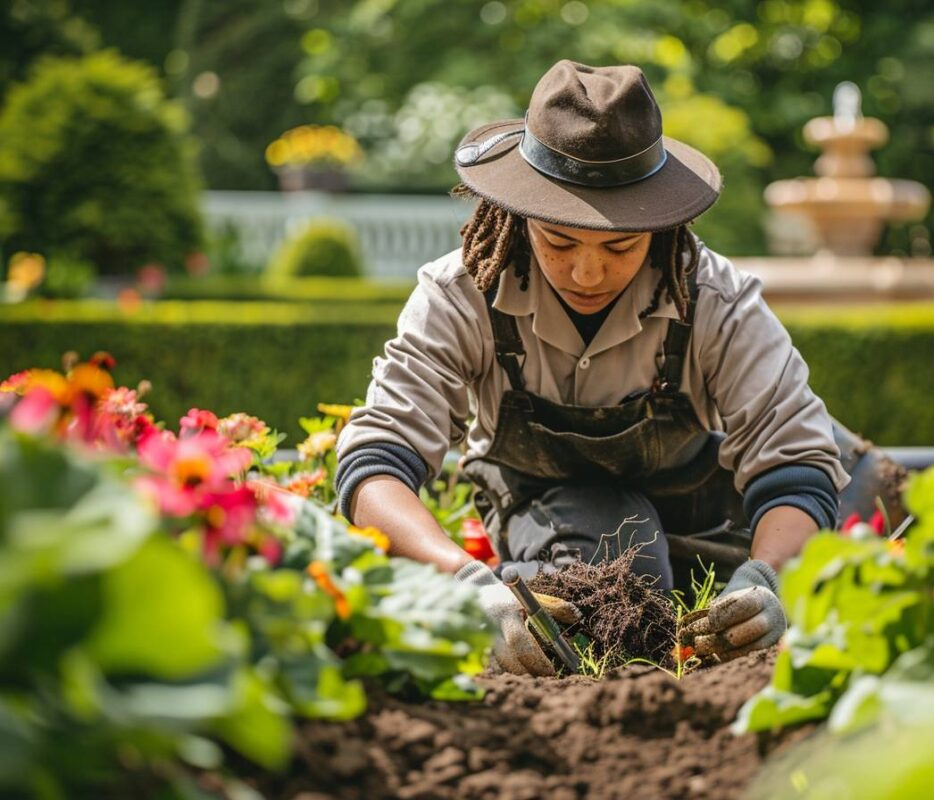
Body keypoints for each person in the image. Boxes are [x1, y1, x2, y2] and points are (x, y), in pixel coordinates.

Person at [334, 59, 853, 677]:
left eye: (618, 246)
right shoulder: (461, 293)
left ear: (659, 225)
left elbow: (796, 462)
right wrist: (464, 582)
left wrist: (768, 579)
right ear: (519, 214)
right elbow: (375, 461)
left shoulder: (713, 297)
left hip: (704, 524)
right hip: (558, 528)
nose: (586, 274)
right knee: (621, 543)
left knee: (862, 486)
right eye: (557, 241)